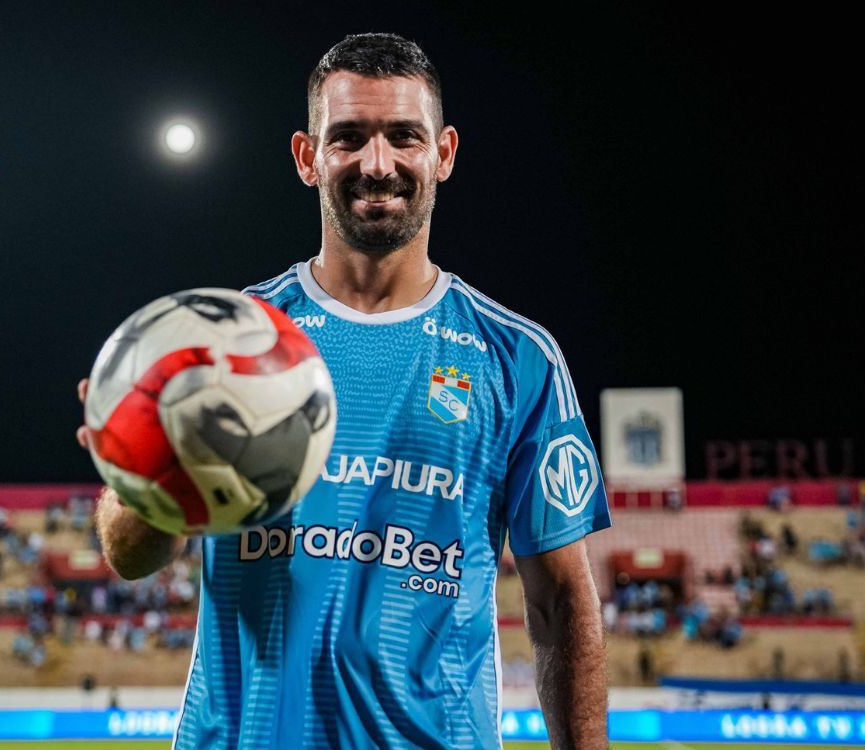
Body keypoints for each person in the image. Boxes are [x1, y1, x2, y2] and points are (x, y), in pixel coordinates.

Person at [77, 33, 611, 749]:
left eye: (404, 137)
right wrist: (147, 471)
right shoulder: (222, 343)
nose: (377, 163)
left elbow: (563, 604)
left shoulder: (517, 357)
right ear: (307, 156)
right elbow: (130, 556)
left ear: (444, 154)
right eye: (349, 137)